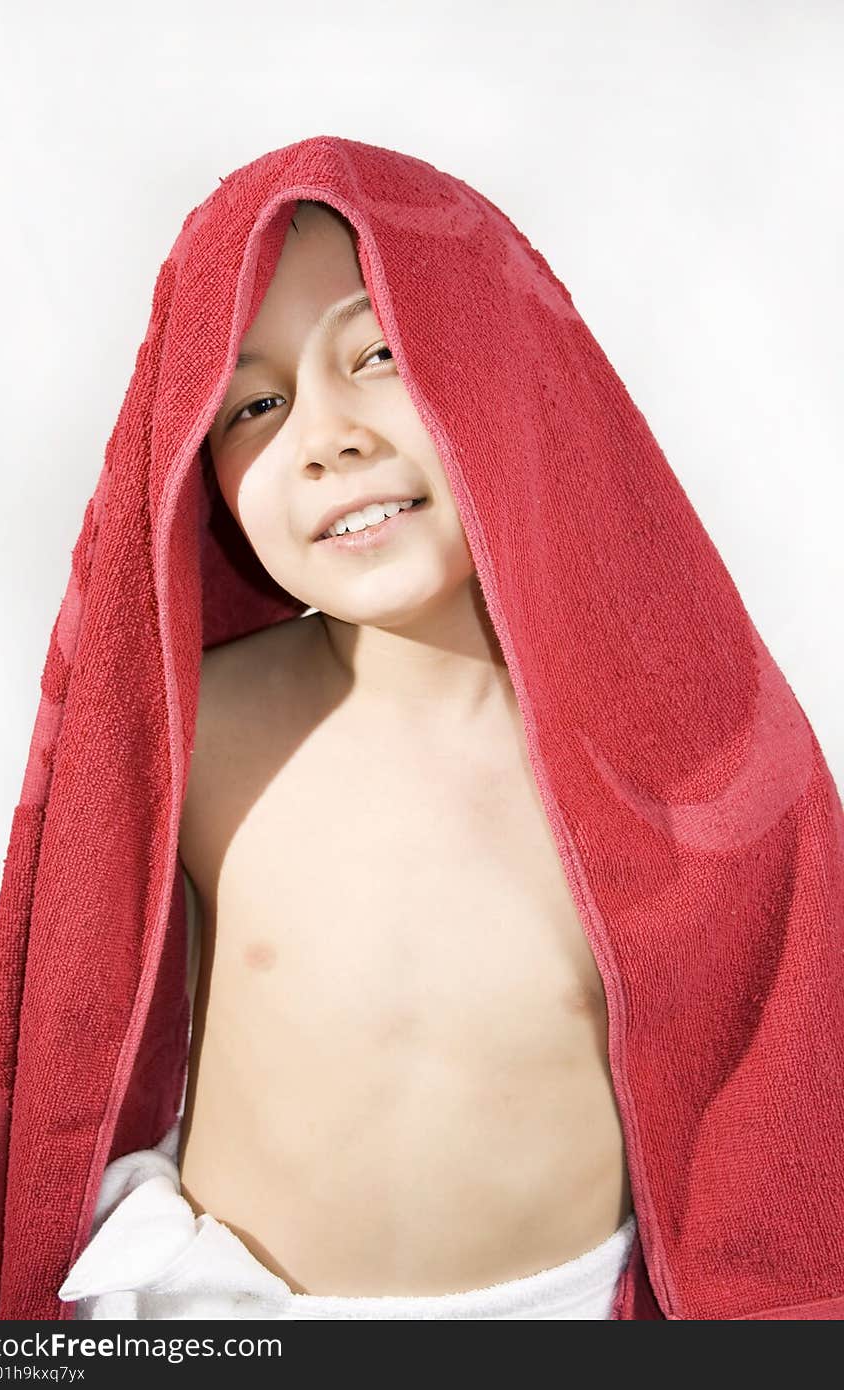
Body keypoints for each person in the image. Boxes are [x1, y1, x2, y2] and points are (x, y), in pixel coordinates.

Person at [57, 199, 637, 1319]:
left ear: (517, 372)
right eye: (254, 403)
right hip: (229, 1320)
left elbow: (767, 1079)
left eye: (381, 353)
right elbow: (78, 1026)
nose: (325, 435)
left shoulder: (659, 763)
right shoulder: (199, 730)